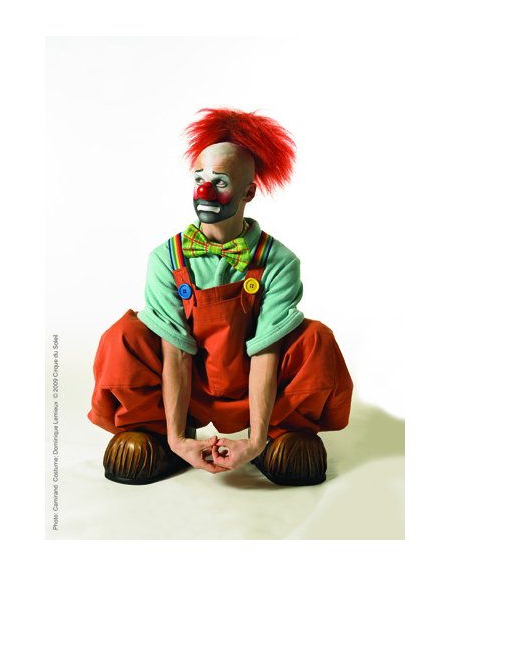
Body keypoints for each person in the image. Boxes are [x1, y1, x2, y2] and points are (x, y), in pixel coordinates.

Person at [89, 108, 353, 486]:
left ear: (248, 192)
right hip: (188, 382)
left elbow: (266, 352)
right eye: (199, 178)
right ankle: (153, 431)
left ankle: (281, 433)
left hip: (253, 380)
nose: (205, 190)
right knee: (123, 336)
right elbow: (175, 350)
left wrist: (255, 441)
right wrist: (178, 439)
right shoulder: (166, 257)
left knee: (316, 340)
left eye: (220, 181)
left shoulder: (278, 261)